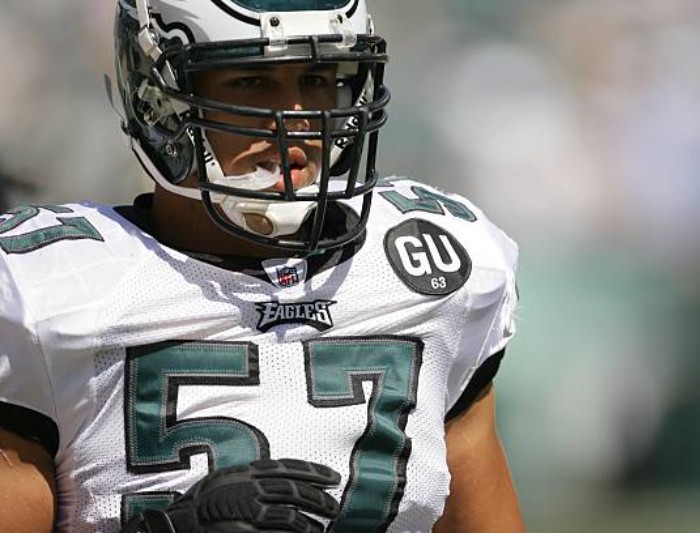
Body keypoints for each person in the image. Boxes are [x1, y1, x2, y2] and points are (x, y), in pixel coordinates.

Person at [0, 0, 524, 531]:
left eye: (317, 79)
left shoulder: (434, 269)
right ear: (158, 100)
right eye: (252, 82)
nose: (296, 120)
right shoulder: (48, 292)